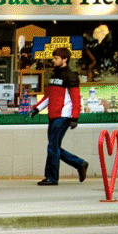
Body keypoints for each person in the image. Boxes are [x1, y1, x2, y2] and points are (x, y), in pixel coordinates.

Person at [32, 47, 88, 185]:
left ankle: (52, 177)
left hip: (63, 116)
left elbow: (76, 99)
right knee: (54, 146)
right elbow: (48, 96)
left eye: (56, 58)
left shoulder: (70, 76)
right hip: (53, 115)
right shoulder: (54, 75)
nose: (53, 60)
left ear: (65, 59)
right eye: (54, 57)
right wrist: (37, 109)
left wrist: (74, 118)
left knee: (52, 146)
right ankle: (80, 163)